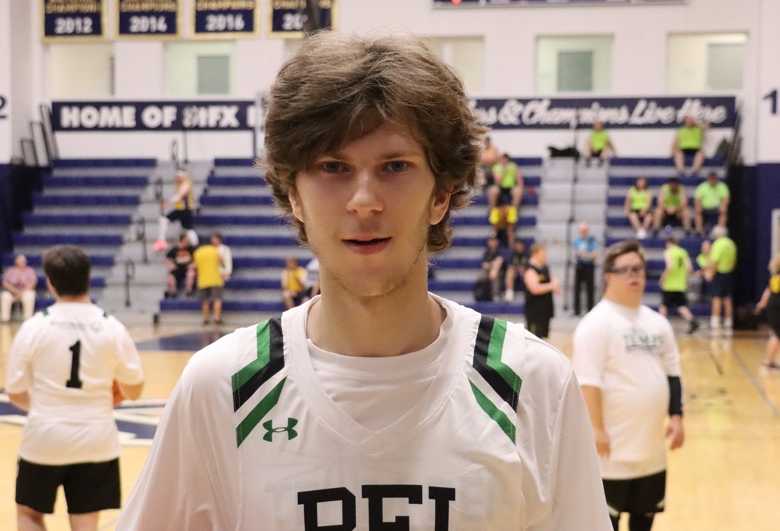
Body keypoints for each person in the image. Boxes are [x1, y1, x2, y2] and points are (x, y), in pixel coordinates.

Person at [118, 31, 609, 529]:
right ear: (294, 195)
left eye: (395, 166)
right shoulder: (221, 388)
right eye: (333, 167)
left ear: (440, 194)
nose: (363, 201)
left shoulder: (533, 383)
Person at [5, 245, 144, 531]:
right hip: (97, 438)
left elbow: (16, 392)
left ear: (50, 282)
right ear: (88, 277)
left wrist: (48, 405)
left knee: (29, 514)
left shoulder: (35, 327)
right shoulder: (111, 327)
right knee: (85, 521)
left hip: (44, 437)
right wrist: (105, 397)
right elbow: (134, 389)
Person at [572, 240, 685, 531]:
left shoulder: (658, 323)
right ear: (608, 276)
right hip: (611, 457)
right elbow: (588, 382)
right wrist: (596, 428)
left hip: (652, 454)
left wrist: (676, 416)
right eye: (625, 270)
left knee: (643, 523)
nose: (634, 275)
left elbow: (673, 372)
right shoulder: (595, 324)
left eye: (638, 268)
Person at [659, 236, 700, 334]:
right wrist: (684, 278)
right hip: (681, 284)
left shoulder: (668, 252)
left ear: (669, 243)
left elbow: (670, 267)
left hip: (670, 284)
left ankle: (660, 325)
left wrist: (663, 277)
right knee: (681, 305)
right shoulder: (683, 252)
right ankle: (692, 321)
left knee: (664, 305)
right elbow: (689, 268)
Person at [152, 169, 197, 252]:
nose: (176, 178)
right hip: (180, 210)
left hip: (185, 210)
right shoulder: (180, 184)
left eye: (178, 176)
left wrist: (168, 202)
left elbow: (179, 196)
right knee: (164, 220)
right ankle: (161, 241)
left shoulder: (186, 183)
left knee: (188, 229)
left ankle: (195, 246)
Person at [523, 243, 561, 338]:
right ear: (535, 254)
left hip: (546, 307)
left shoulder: (545, 267)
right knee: (534, 338)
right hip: (534, 310)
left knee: (544, 336)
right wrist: (552, 286)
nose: (545, 256)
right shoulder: (529, 269)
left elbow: (553, 282)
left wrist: (556, 287)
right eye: (543, 254)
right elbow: (535, 289)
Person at [707, 225, 737, 336]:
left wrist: (711, 273)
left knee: (716, 298)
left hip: (719, 274)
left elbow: (715, 261)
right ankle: (729, 321)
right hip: (728, 273)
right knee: (728, 298)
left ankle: (715, 321)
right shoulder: (731, 244)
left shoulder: (718, 244)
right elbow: (734, 261)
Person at [755, 253, 780, 374]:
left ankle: (768, 361)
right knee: (777, 334)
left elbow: (768, 290)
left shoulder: (776, 275)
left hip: (773, 304)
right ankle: (767, 362)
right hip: (778, 305)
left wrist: (762, 302)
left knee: (776, 333)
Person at [193, 235, 225, 325]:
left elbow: (194, 266)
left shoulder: (197, 252)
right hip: (215, 279)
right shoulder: (215, 251)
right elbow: (222, 262)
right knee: (217, 299)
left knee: (205, 301)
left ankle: (206, 319)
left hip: (202, 280)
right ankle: (217, 318)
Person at [0, 254, 38, 322]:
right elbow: (5, 283)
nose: (22, 263)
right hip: (12, 292)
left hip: (25, 292)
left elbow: (33, 283)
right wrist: (14, 290)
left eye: (24, 262)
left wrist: (22, 292)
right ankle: (5, 318)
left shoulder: (30, 271)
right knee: (5, 296)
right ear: (16, 263)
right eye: (21, 262)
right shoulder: (10, 271)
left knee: (30, 295)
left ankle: (28, 318)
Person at [573, 221, 599, 316]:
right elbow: (575, 252)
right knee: (577, 288)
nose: (582, 233)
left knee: (589, 288)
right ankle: (576, 310)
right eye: (581, 231)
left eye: (584, 230)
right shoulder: (577, 240)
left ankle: (590, 310)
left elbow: (595, 254)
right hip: (580, 265)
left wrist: (585, 254)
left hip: (589, 266)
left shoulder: (592, 240)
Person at [694, 171, 730, 236]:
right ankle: (699, 231)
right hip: (704, 208)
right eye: (711, 178)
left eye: (714, 178)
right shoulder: (702, 187)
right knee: (697, 212)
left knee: (724, 212)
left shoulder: (722, 187)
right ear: (708, 179)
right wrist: (698, 207)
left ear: (716, 179)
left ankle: (720, 231)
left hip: (717, 208)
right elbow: (697, 199)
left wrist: (723, 206)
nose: (712, 180)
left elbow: (726, 198)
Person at [164, 233, 196, 298]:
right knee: (171, 276)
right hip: (178, 268)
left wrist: (193, 264)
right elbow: (166, 257)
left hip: (187, 268)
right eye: (186, 241)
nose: (187, 242)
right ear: (182, 241)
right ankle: (173, 291)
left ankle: (188, 290)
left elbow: (197, 257)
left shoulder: (191, 249)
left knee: (191, 274)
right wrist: (170, 265)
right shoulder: (175, 249)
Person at [477, 234, 506, 301]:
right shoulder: (487, 252)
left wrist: (492, 266)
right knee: (481, 276)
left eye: (494, 240)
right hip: (488, 271)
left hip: (501, 272)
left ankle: (495, 295)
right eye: (490, 240)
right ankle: (481, 294)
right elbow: (484, 265)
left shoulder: (501, 251)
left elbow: (500, 262)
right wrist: (492, 265)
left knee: (495, 275)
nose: (492, 242)